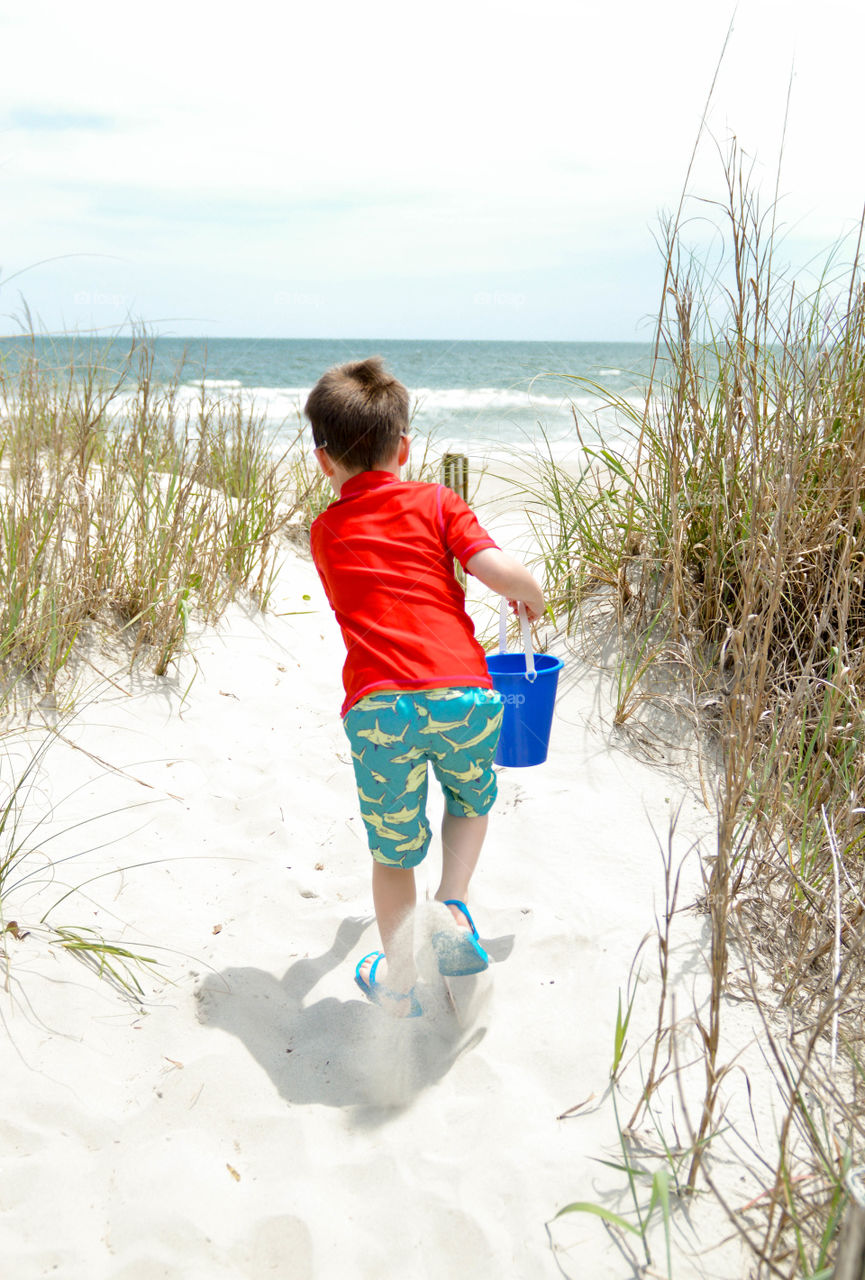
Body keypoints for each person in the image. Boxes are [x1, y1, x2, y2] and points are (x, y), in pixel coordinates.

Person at [306, 357, 545, 1016]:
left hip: (379, 707)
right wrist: (530, 595)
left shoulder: (324, 533)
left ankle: (399, 981)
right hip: (464, 694)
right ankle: (456, 904)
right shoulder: (439, 501)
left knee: (393, 852)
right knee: (469, 799)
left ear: (324, 461)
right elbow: (498, 573)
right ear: (404, 449)